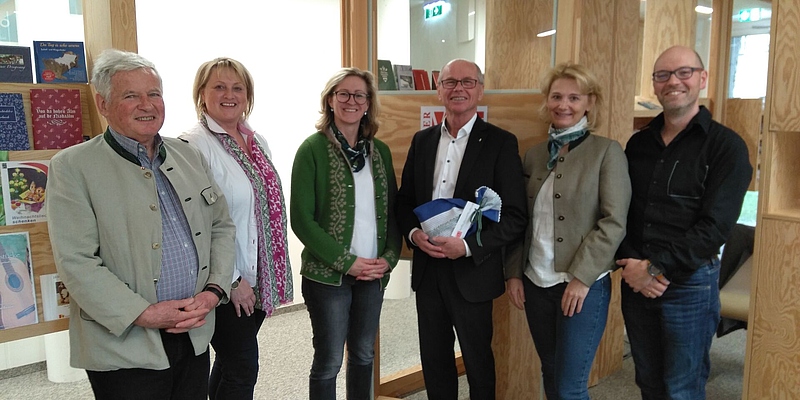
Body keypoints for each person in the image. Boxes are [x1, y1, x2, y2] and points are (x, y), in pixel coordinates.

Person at [46, 49, 236, 400]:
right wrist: (144, 313)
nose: (147, 105)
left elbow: (221, 227)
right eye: (131, 96)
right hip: (124, 344)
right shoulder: (72, 167)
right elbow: (77, 262)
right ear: (103, 104)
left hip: (193, 331)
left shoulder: (188, 154)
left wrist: (213, 291)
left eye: (154, 94)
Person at [616, 45, 752, 399]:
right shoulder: (638, 144)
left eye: (683, 73)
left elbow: (716, 226)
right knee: (648, 382)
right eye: (662, 75)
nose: (673, 82)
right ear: (654, 85)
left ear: (702, 78)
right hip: (637, 281)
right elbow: (623, 211)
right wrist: (633, 265)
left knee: (683, 388)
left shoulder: (727, 147)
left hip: (689, 284)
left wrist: (656, 269)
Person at [395, 59, 527, 400]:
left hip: (473, 272)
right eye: (450, 82)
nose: (458, 89)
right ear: (439, 91)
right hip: (428, 271)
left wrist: (467, 247)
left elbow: (514, 216)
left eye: (467, 82)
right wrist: (414, 236)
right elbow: (404, 202)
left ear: (480, 91)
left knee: (478, 362)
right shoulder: (422, 141)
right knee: (434, 361)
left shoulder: (501, 143)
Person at [504, 63, 631, 400]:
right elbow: (521, 220)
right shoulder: (534, 155)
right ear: (547, 101)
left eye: (574, 97)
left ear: (589, 102)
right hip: (536, 281)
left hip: (582, 287)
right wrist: (514, 273)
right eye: (557, 96)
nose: (564, 105)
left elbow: (614, 221)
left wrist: (582, 278)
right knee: (550, 370)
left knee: (570, 387)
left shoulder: (606, 152)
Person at [180, 57, 293, 399]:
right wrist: (232, 280)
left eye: (237, 88)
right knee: (243, 367)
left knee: (231, 364)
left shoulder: (256, 141)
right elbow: (194, 223)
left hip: (258, 274)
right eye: (219, 87)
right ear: (202, 94)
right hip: (224, 280)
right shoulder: (192, 145)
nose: (229, 95)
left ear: (248, 96)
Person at [290, 67, 401, 400]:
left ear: (368, 103)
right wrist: (346, 262)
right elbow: (301, 220)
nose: (351, 101)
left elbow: (392, 212)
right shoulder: (311, 150)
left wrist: (389, 258)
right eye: (343, 94)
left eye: (359, 95)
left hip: (373, 274)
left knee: (364, 354)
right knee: (329, 361)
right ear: (330, 100)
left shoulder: (379, 152)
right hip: (328, 278)